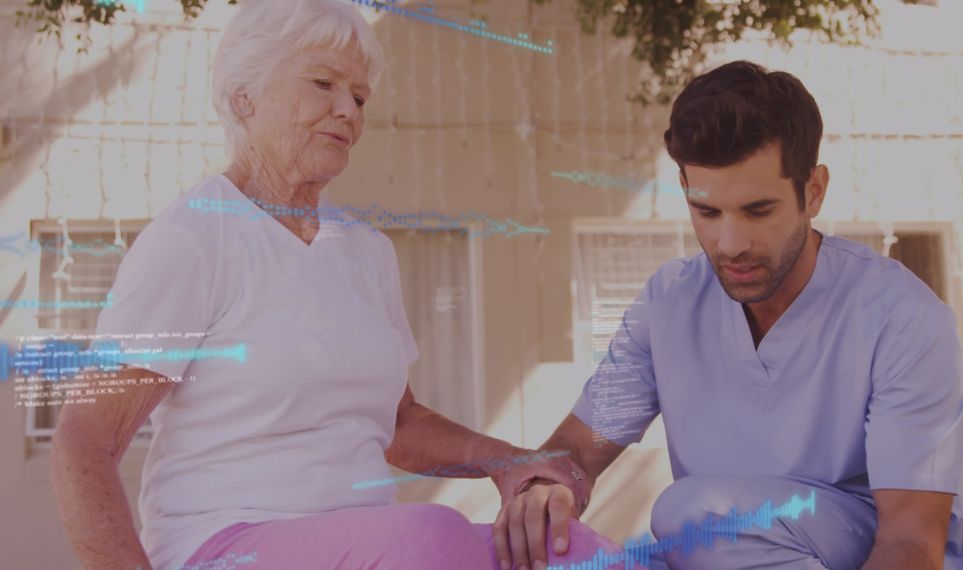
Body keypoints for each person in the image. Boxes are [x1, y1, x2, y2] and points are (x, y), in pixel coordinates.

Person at [48, 0, 639, 568]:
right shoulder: (194, 238)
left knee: (580, 554)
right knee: (429, 538)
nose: (350, 111)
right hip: (226, 542)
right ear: (243, 97)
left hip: (377, 546)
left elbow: (399, 423)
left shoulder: (366, 252)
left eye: (359, 96)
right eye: (323, 84)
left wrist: (511, 461)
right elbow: (85, 442)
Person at [490, 60, 963, 570]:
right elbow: (577, 449)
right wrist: (546, 488)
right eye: (707, 213)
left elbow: (910, 543)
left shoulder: (904, 318)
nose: (730, 245)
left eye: (758, 211)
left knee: (692, 516)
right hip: (723, 551)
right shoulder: (667, 305)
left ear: (812, 191)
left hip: (865, 550)